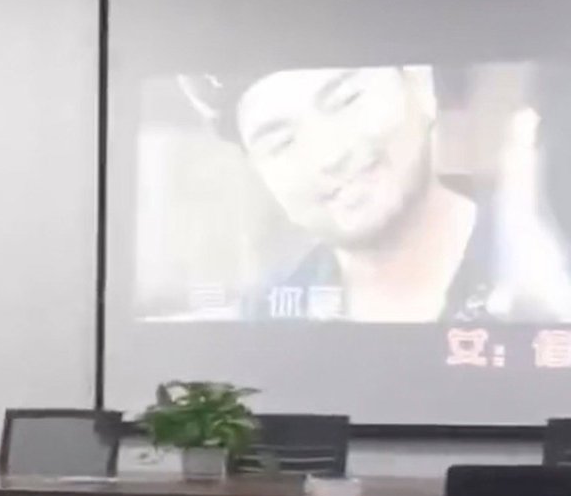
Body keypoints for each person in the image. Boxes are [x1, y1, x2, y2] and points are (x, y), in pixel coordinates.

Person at [229, 64, 571, 323]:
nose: (329, 156)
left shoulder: (546, 263)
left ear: (421, 85)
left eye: (347, 99)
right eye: (279, 142)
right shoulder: (265, 319)